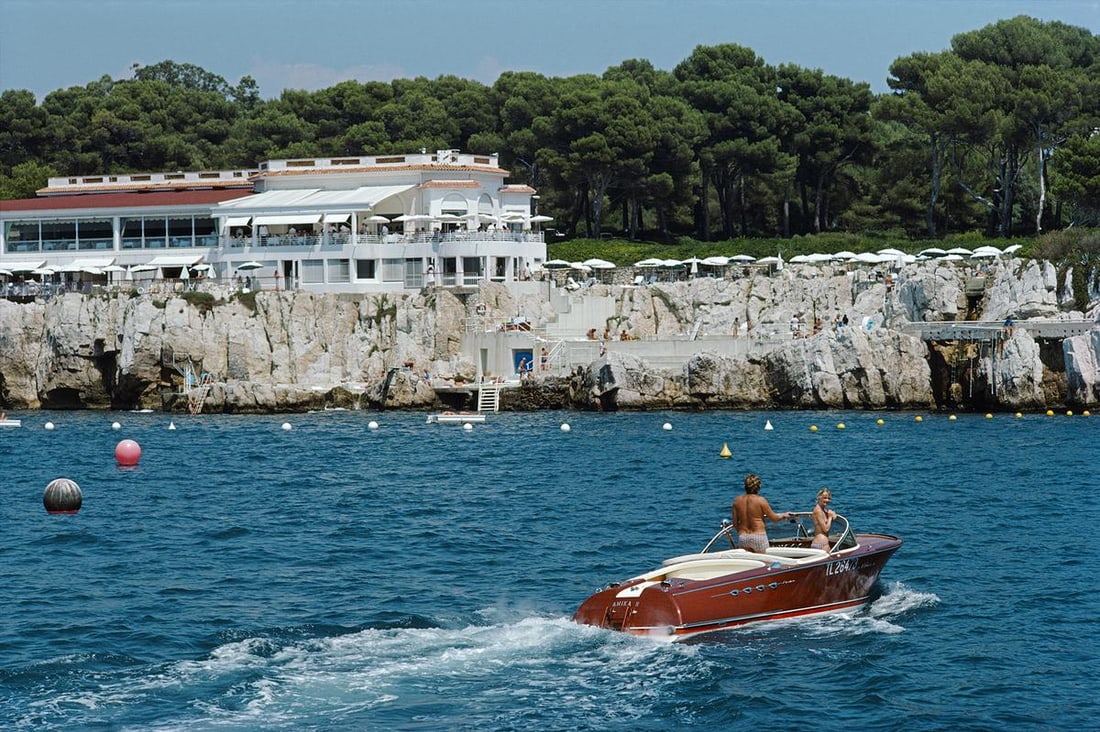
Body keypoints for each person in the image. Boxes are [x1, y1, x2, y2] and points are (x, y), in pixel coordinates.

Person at [731, 473, 791, 553]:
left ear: (745, 486)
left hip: (743, 537)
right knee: (764, 562)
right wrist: (784, 515)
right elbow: (774, 518)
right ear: (758, 487)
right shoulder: (760, 500)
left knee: (750, 564)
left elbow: (735, 524)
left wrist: (743, 533)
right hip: (758, 536)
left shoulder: (737, 501)